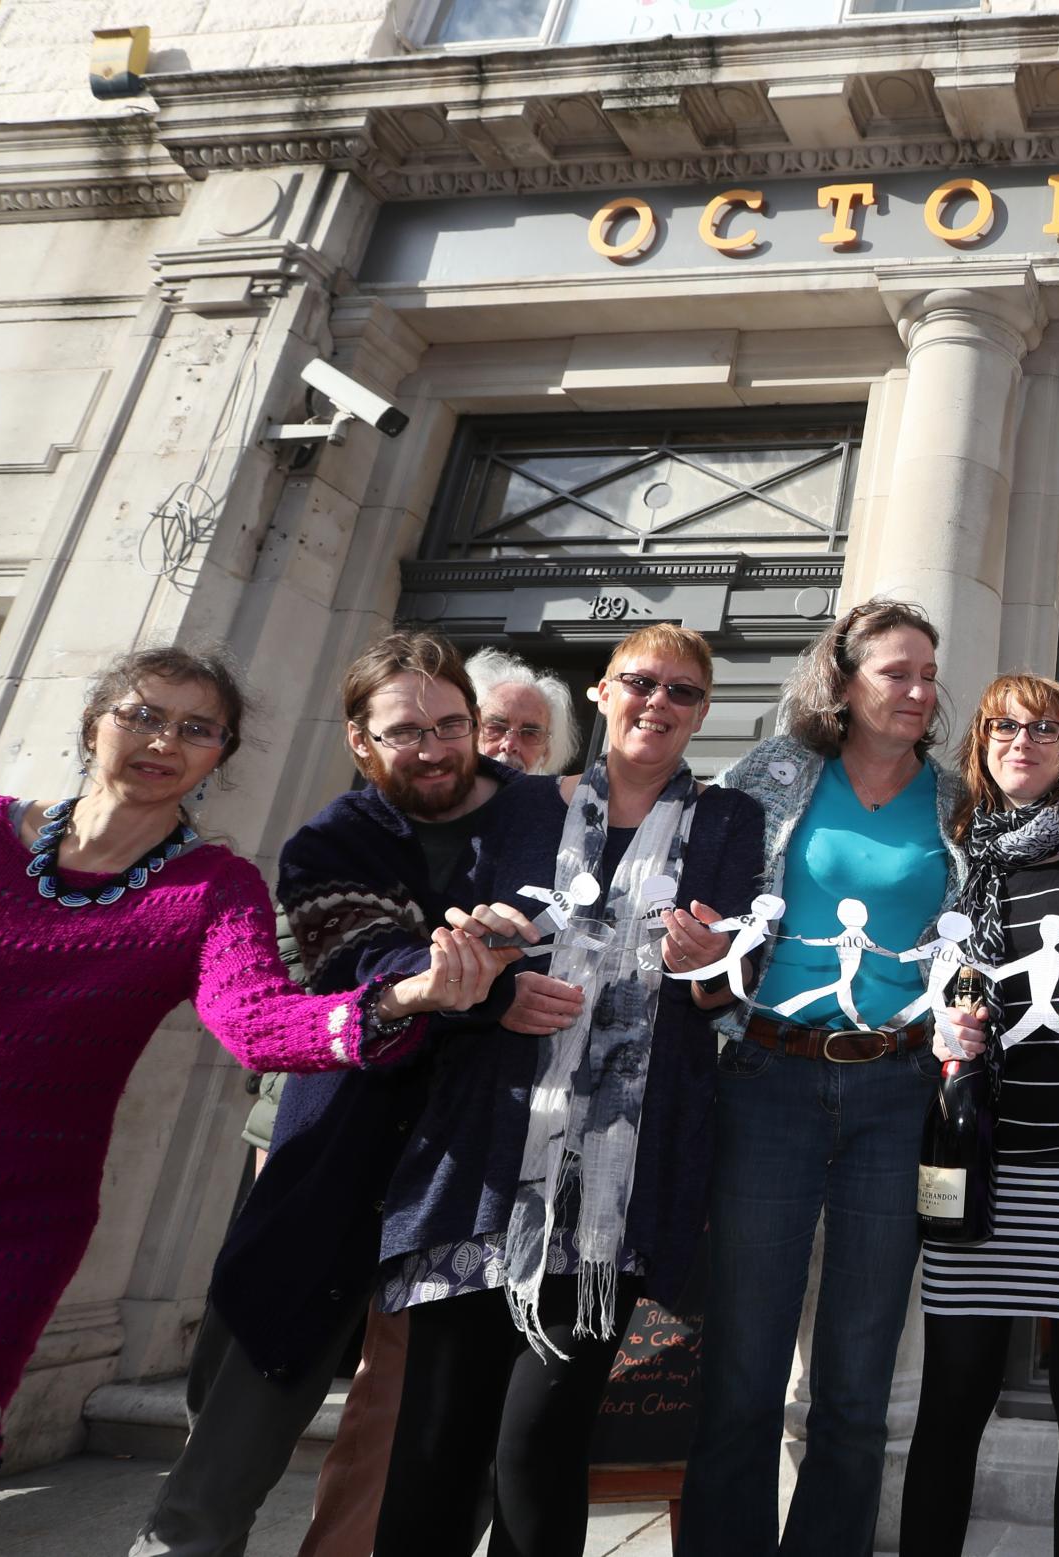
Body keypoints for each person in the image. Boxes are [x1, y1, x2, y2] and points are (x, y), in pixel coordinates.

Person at [0, 645, 508, 1480]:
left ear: (220, 756)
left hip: (14, 1219)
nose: (164, 740)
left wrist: (399, 998)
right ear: (94, 722)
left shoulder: (214, 888)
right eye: (142, 714)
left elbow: (257, 1022)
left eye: (196, 728)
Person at [129, 631, 531, 1557]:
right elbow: (358, 964)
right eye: (404, 732)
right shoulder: (334, 838)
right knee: (227, 1443)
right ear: (359, 741)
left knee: (437, 1452)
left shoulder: (545, 816)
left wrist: (478, 981)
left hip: (482, 1173)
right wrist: (485, 984)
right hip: (339, 1156)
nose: (432, 747)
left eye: (450, 724)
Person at [373, 623, 764, 1557]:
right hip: (486, 1160)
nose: (658, 704)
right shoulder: (514, 805)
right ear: (601, 693)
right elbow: (449, 958)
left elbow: (722, 996)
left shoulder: (728, 821)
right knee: (435, 1442)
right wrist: (499, 992)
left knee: (538, 1438)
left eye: (682, 693)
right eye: (641, 682)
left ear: (702, 712)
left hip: (614, 1187)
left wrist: (707, 964)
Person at [680, 597, 965, 1557]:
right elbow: (692, 878)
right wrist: (700, 951)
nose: (921, 690)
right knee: (744, 1365)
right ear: (842, 680)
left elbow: (981, 940)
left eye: (929, 673)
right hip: (770, 1079)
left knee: (857, 1375)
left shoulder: (957, 799)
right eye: (897, 671)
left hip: (897, 1089)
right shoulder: (774, 773)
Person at [899, 674, 1059, 1557]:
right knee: (952, 1402)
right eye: (1002, 726)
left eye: (1044, 727)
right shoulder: (956, 852)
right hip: (977, 1158)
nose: (1021, 741)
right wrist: (938, 1024)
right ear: (979, 741)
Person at [469, 647, 580, 775]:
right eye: (497, 728)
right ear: (471, 731)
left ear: (547, 751)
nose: (510, 745)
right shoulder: (443, 792)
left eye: (530, 734)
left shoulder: (557, 795)